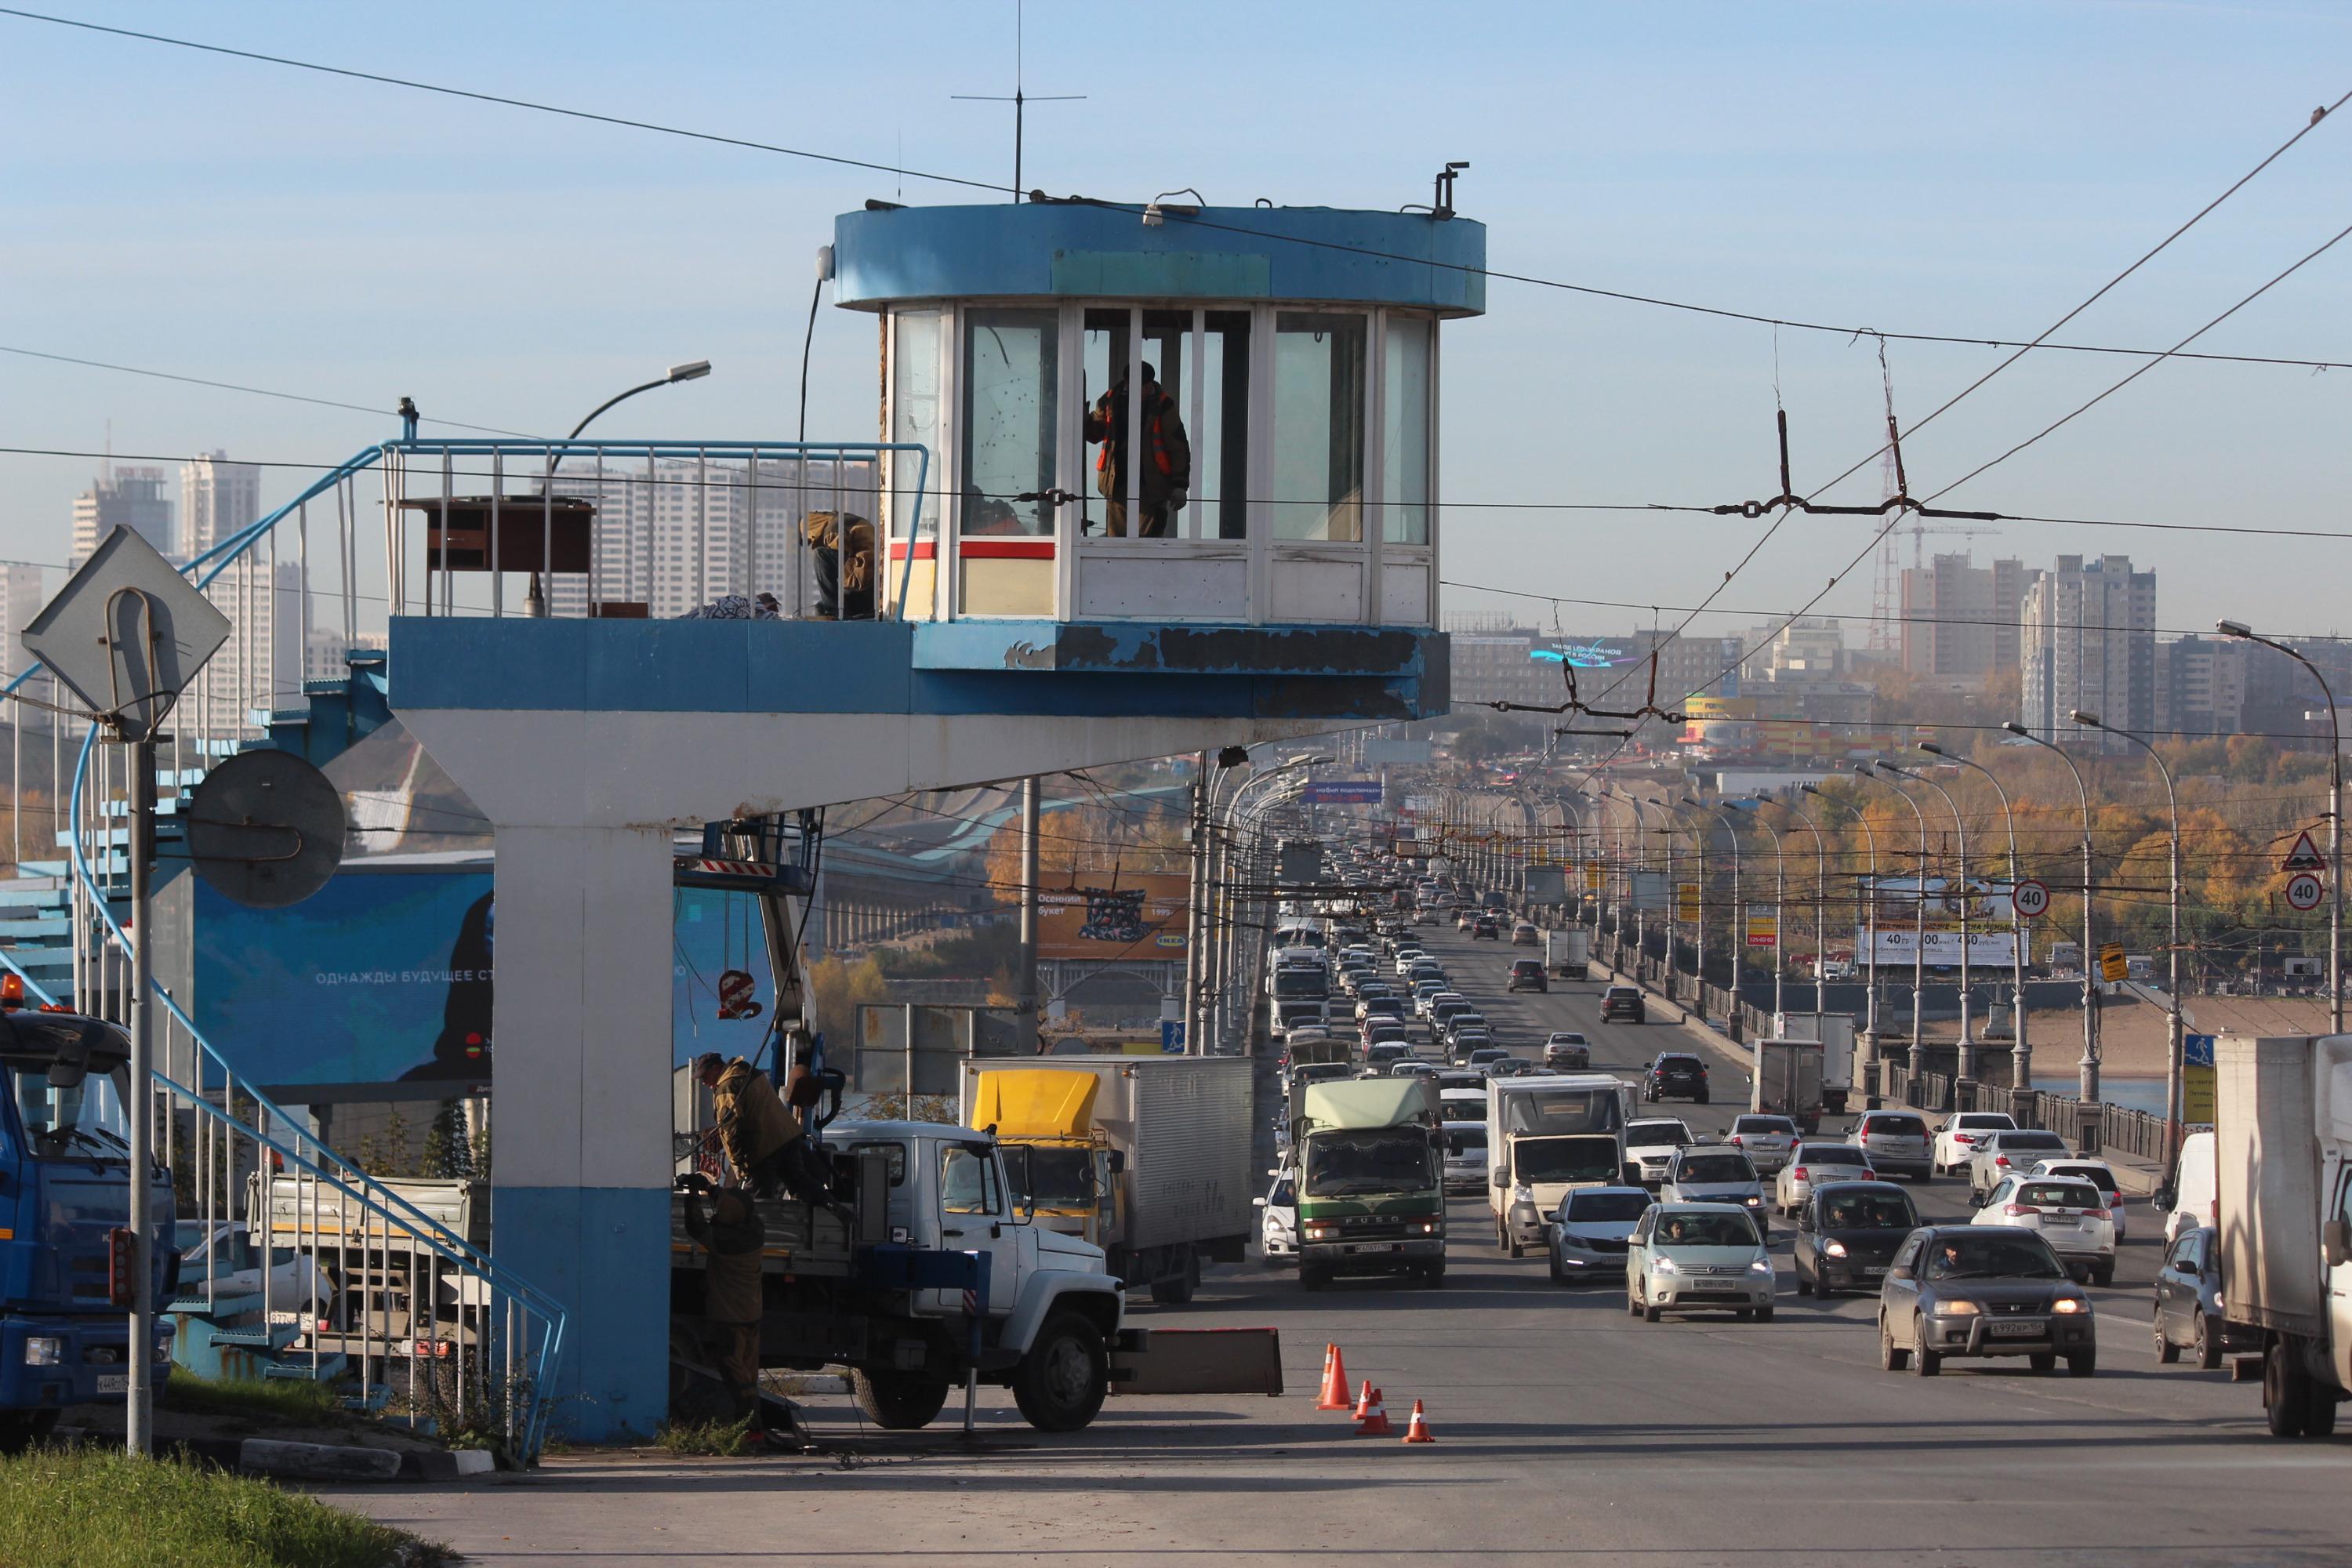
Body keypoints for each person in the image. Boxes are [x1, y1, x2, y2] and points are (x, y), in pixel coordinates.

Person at [678, 1175, 768, 1432]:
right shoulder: (754, 1228)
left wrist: (692, 1194)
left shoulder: (725, 1242)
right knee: (749, 1374)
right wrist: (710, 1188)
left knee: (734, 1374)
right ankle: (753, 1428)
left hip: (730, 1317)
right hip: (751, 1314)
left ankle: (752, 1427)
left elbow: (695, 1227)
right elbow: (737, 1205)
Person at [696, 1052, 829, 1203]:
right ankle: (832, 1207)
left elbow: (732, 1130)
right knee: (798, 1181)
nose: (703, 1082)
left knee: (756, 1198)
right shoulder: (748, 1072)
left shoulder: (727, 1087)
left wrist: (739, 1164)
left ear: (715, 1068)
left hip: (763, 1147)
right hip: (786, 1137)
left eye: (704, 1076)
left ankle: (755, 1224)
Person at [1082, 361, 1191, 538]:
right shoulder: (1110, 400)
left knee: (1147, 544)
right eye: (1141, 386)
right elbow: (1095, 433)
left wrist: (1180, 485)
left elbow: (1178, 447)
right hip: (1117, 484)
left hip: (1151, 488)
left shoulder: (1163, 406)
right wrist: (1083, 419)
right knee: (1116, 543)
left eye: (1147, 385)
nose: (1145, 389)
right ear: (1128, 383)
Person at [803, 511, 876, 619]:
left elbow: (842, 562)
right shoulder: (840, 519)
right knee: (820, 607)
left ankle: (836, 613)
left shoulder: (833, 530)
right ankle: (845, 615)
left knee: (820, 556)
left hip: (865, 575)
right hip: (866, 581)